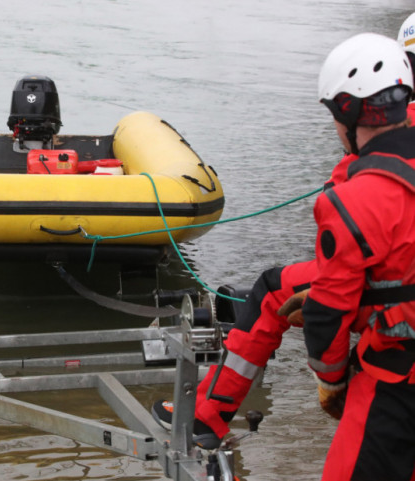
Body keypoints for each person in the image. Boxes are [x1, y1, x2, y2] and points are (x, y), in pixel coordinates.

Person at [151, 15, 415, 451]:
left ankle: (207, 416)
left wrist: (332, 379)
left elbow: (352, 204)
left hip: (386, 284)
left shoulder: (391, 127)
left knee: (273, 290)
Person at [300, 32, 415, 480]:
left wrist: (331, 382)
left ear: (348, 112)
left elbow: (328, 314)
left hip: (394, 383)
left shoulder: (349, 202)